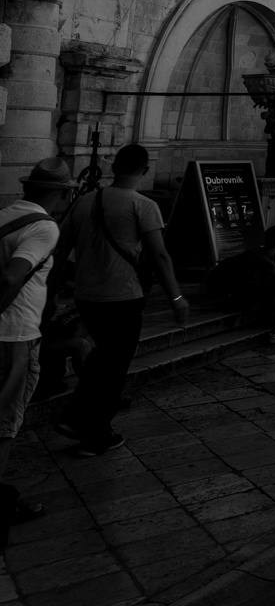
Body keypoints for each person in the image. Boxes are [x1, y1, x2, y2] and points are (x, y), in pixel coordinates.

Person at [57, 144, 187, 457]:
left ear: (114, 167)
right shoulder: (142, 205)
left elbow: (60, 252)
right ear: (144, 171)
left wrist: (48, 294)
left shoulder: (84, 201)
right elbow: (158, 254)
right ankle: (91, 429)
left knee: (105, 357)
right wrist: (177, 297)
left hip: (87, 296)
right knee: (114, 365)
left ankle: (81, 419)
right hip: (122, 296)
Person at [0, 158, 76, 535]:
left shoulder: (4, 216)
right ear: (60, 194)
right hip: (13, 338)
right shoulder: (45, 228)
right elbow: (14, 275)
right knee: (3, 424)